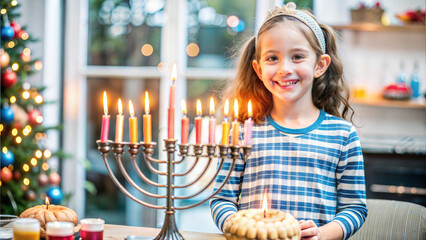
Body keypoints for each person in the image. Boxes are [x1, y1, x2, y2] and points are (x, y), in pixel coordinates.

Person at [210, 2, 367, 240]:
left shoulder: (343, 135)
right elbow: (221, 200)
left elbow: (354, 209)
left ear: (320, 65)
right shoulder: (242, 132)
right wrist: (243, 228)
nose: (284, 68)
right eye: (272, 58)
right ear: (259, 69)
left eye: (297, 57)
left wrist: (321, 234)